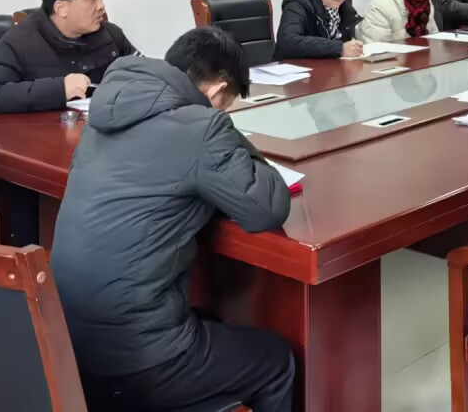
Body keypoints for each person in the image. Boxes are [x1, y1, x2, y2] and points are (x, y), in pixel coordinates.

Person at [51, 27, 294, 412]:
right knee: (276, 361)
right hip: (135, 363)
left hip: (66, 346)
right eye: (226, 105)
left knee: (208, 318)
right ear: (217, 90)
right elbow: (267, 207)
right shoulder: (202, 127)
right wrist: (223, 128)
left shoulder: (104, 116)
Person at [0, 0, 138, 114]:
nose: (101, 6)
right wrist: (60, 88)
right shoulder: (20, 43)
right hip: (41, 133)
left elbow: (144, 72)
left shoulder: (109, 34)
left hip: (100, 127)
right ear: (61, 9)